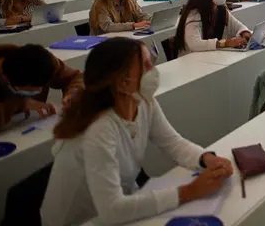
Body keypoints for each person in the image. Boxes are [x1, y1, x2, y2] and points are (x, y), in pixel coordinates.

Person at [40, 38, 233, 225]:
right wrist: (190, 191)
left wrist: (207, 158)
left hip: (121, 204)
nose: (153, 71)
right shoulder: (98, 128)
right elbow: (112, 210)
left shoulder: (143, 100)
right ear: (122, 83)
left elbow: (172, 142)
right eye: (146, 66)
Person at [0, 44, 83, 136]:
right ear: (7, 79)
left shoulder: (41, 61)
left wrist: (72, 95)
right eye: (30, 91)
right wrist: (22, 102)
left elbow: (75, 78)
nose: (39, 91)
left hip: (30, 128)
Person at [173, 0, 252, 55]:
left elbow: (238, 26)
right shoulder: (194, 15)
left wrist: (245, 33)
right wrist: (224, 43)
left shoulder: (220, 10)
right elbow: (195, 44)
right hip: (192, 59)